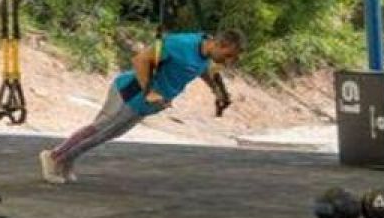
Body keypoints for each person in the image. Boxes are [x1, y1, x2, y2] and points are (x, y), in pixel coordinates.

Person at [39, 28, 244, 183]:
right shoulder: (179, 44)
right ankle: (55, 157)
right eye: (228, 56)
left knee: (108, 134)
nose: (227, 62)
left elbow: (201, 69)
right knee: (100, 129)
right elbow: (141, 60)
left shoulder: (205, 54)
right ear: (220, 44)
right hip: (132, 91)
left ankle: (67, 159)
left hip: (146, 103)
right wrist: (149, 91)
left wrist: (216, 90)